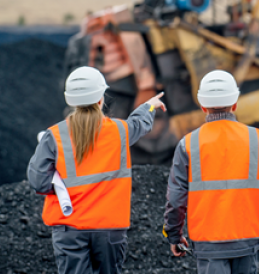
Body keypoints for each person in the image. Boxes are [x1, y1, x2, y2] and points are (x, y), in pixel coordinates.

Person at [27, 66, 166, 274]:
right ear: (101, 99)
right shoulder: (120, 131)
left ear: (70, 100)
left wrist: (61, 187)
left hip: (69, 228)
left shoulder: (54, 136)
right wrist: (149, 106)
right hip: (109, 228)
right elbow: (140, 124)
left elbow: (38, 181)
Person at [163, 70, 259, 274]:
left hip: (208, 242)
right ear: (235, 103)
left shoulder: (188, 144)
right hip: (248, 239)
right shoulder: (256, 139)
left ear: (202, 105)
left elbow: (176, 197)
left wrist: (174, 234)